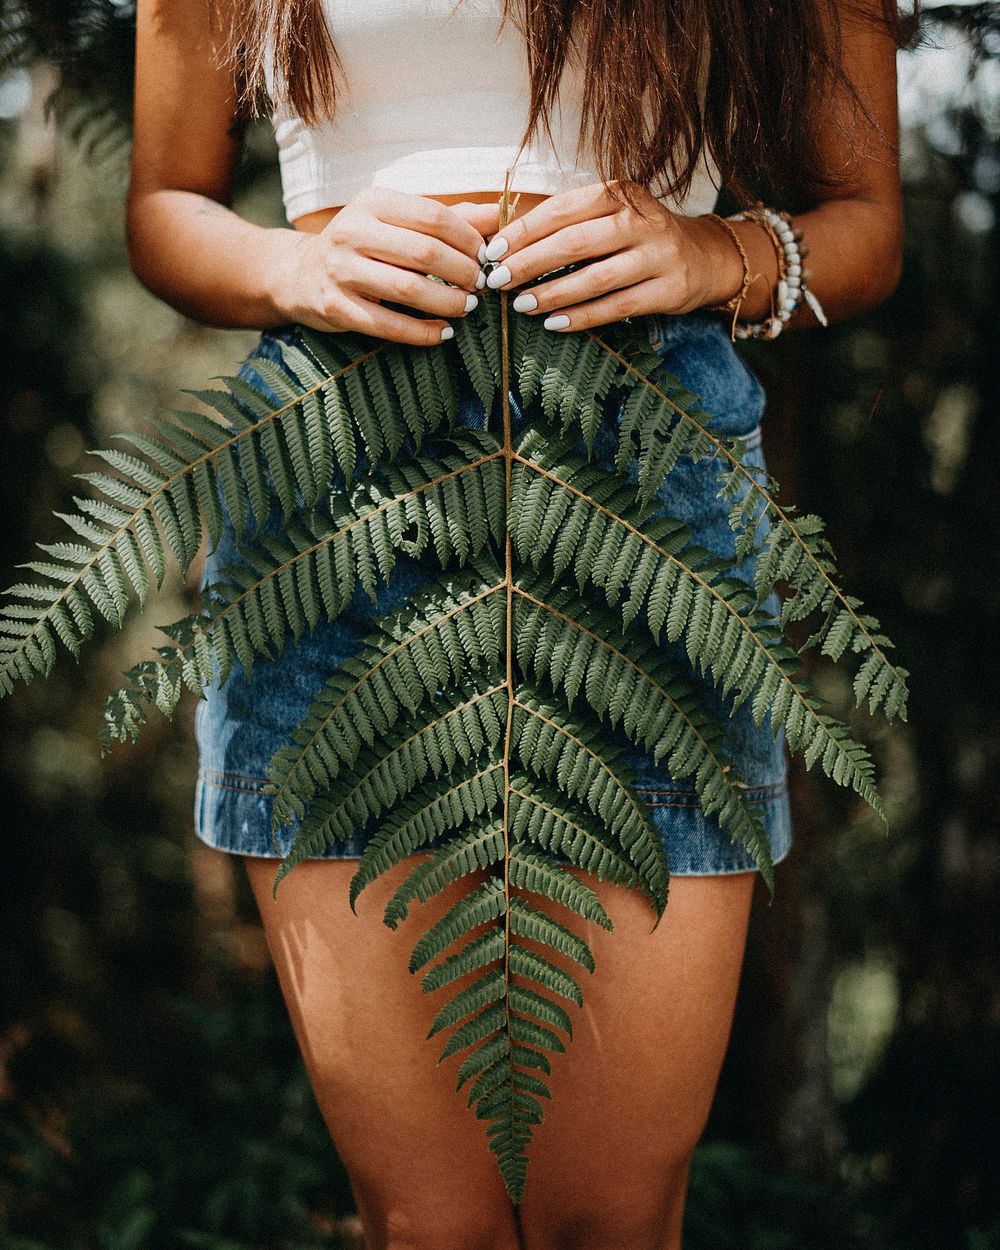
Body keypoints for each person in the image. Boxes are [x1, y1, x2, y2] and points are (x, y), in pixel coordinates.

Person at [127, 1, 905, 1246]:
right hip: (337, 480)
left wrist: (721, 255)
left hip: (644, 473)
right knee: (427, 1222)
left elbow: (865, 223)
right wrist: (296, 265)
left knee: (611, 1216)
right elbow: (167, 202)